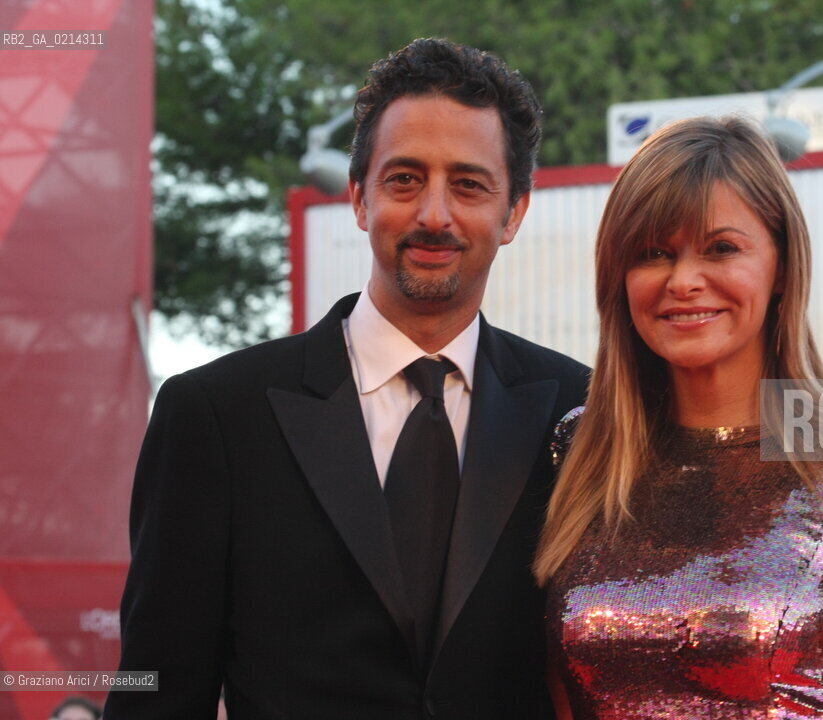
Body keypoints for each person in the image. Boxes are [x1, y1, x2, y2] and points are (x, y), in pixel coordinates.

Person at [104, 38, 588, 720]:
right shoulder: (214, 415)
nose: (434, 215)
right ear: (359, 199)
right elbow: (154, 687)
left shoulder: (582, 413)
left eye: (469, 184)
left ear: (514, 213)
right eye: (405, 179)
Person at [534, 116, 823, 719]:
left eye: (721, 248)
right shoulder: (578, 449)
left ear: (781, 266)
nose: (684, 280)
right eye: (652, 253)